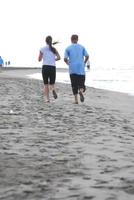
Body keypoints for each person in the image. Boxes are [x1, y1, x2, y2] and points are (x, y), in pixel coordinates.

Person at [64, 34, 89, 104]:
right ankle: (80, 91)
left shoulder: (68, 48)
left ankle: (76, 100)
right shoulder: (82, 47)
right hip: (81, 68)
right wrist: (84, 63)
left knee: (74, 84)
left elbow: (65, 59)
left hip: (72, 68)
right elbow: (87, 56)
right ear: (77, 39)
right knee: (81, 83)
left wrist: (68, 63)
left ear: (71, 39)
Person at [38, 35, 61, 102]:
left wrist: (43, 57)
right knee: (52, 84)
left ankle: (47, 99)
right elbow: (59, 57)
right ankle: (53, 89)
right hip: (52, 67)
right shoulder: (54, 49)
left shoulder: (42, 49)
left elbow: (39, 59)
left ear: (46, 41)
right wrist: (53, 59)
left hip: (45, 67)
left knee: (46, 84)